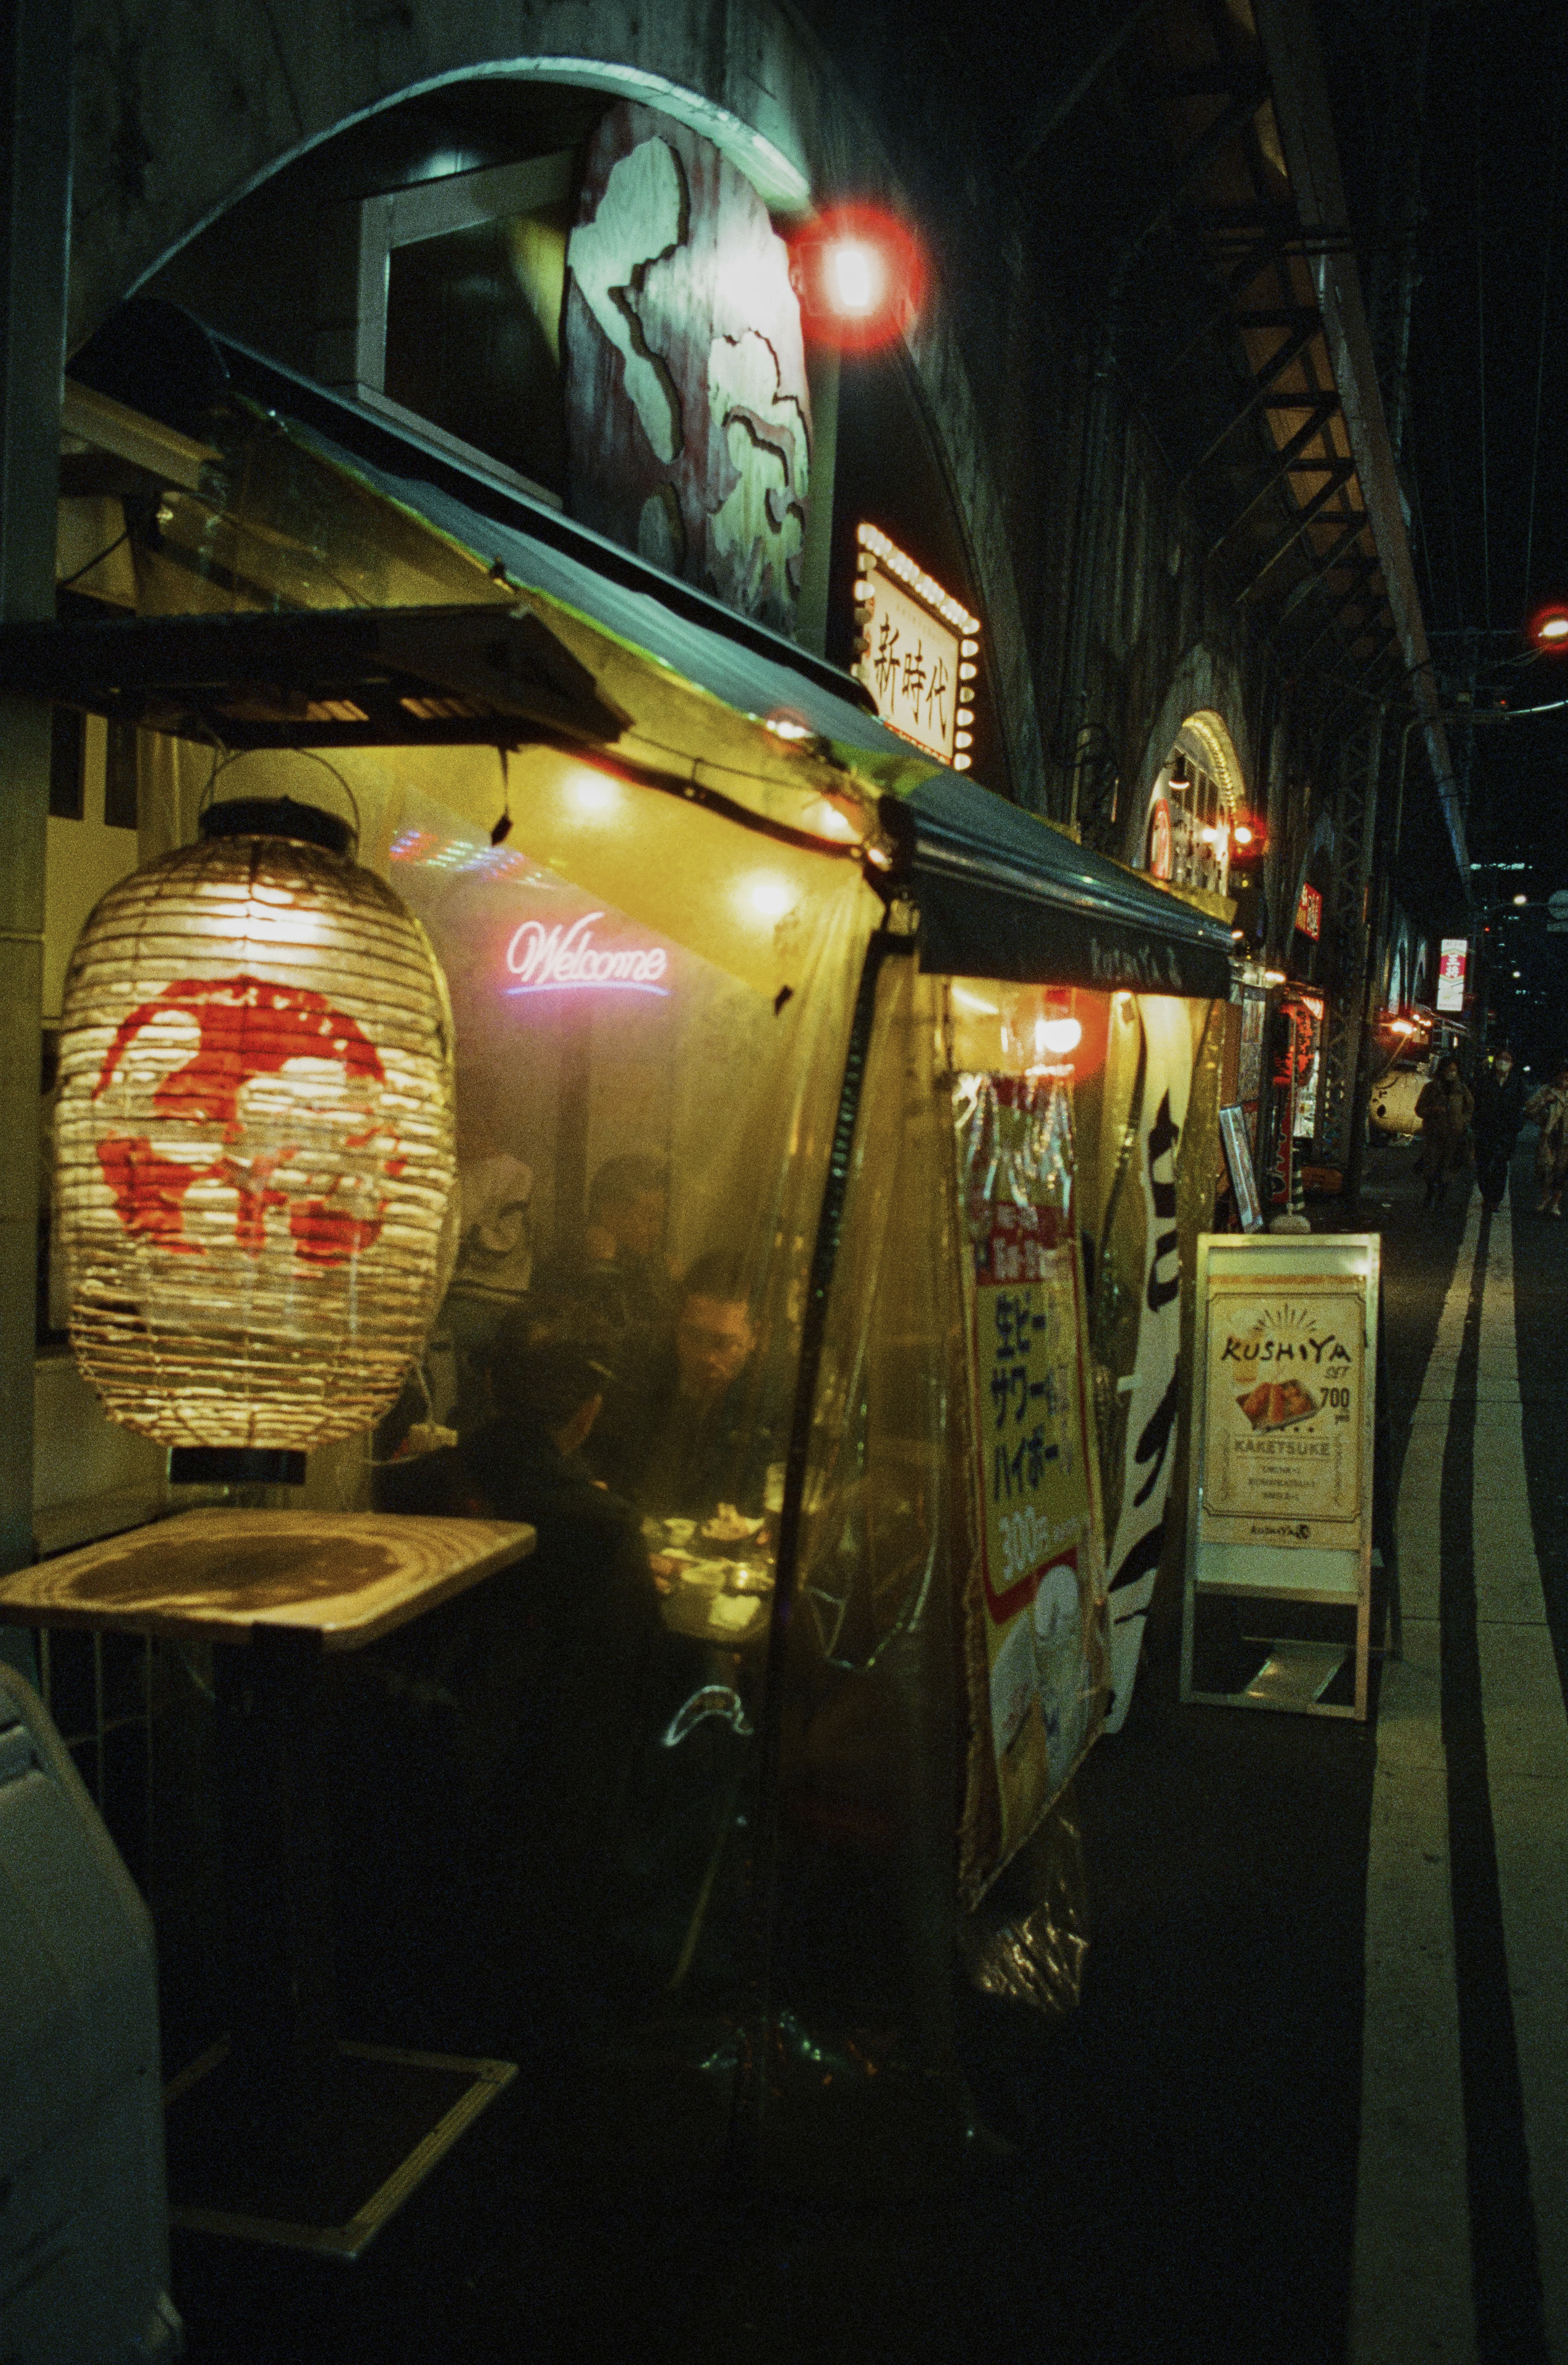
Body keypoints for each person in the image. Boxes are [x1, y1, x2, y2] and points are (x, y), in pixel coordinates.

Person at [590, 1250, 773, 1518]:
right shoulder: (638, 1367)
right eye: (694, 1336)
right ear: (677, 1325)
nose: (707, 1357)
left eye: (723, 1343)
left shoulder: (773, 1394)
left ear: (755, 1336)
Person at [1472, 1046, 1527, 1213]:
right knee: (1483, 1164)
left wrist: (1516, 1126)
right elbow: (1475, 1103)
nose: (1503, 1062)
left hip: (1506, 1132)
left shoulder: (1517, 1083)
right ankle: (1487, 1195)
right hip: (1485, 1129)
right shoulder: (1484, 1080)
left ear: (1512, 1064)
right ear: (1495, 1061)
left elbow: (1522, 1106)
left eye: (1507, 1059)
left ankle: (1495, 1200)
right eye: (1501, 1058)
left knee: (1500, 1166)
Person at [1415, 1055, 1474, 1209]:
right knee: (1431, 1167)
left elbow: (1470, 1109)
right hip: (1434, 1135)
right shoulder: (1431, 1088)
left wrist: (1463, 1121)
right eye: (1448, 1069)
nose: (1451, 1072)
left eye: (1454, 1069)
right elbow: (1419, 1109)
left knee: (1448, 1169)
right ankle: (1430, 1191)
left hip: (1454, 1136)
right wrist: (1432, 1110)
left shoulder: (1461, 1089)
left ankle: (1442, 1196)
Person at [1524, 1062, 1568, 1216]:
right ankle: (1545, 1197)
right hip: (1549, 1136)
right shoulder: (1546, 1091)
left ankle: (1555, 1202)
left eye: (1567, 1078)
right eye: (1562, 1077)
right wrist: (1545, 1101)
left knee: (1561, 1171)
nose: (1564, 1080)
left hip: (1566, 1139)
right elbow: (1529, 1109)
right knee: (1544, 1168)